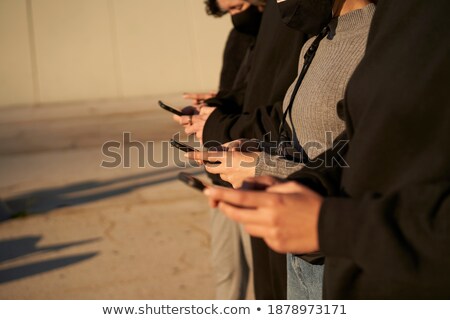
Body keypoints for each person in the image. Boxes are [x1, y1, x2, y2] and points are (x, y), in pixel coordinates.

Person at [202, 0, 450, 299]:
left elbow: (383, 168)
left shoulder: (376, 37)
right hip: (307, 251)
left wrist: (324, 220)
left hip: (355, 256)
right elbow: (342, 145)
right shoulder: (317, 41)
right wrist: (263, 156)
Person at [188, 0, 376, 299]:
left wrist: (260, 168)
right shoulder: (316, 42)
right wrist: (256, 149)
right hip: (300, 258)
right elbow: (301, 133)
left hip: (342, 261)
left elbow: (368, 172)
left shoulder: (377, 44)